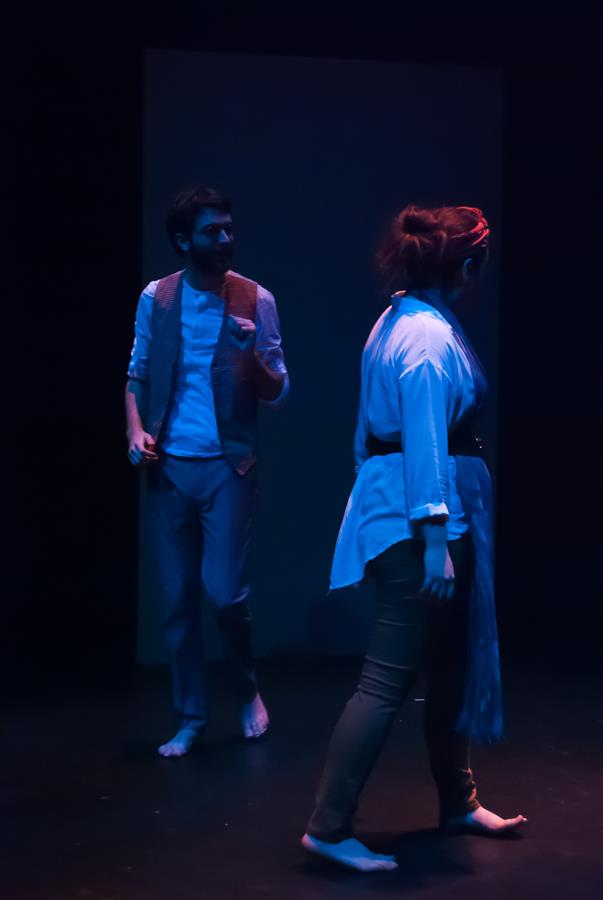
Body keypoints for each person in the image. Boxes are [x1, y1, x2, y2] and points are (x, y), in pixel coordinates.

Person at [301, 205, 526, 872]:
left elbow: (368, 436)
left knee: (450, 661)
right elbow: (422, 437)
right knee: (388, 677)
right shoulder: (423, 337)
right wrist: (432, 538)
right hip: (418, 518)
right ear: (466, 265)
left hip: (416, 507)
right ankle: (327, 824)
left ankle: (456, 799)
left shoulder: (405, 319)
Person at [125, 185, 289, 757]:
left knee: (224, 595)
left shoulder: (255, 299)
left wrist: (252, 354)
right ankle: (191, 714)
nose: (224, 239)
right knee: (177, 603)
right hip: (168, 467)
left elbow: (278, 391)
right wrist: (135, 430)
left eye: (228, 229)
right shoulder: (158, 298)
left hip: (228, 465)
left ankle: (246, 689)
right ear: (182, 240)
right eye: (212, 231)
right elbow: (138, 373)